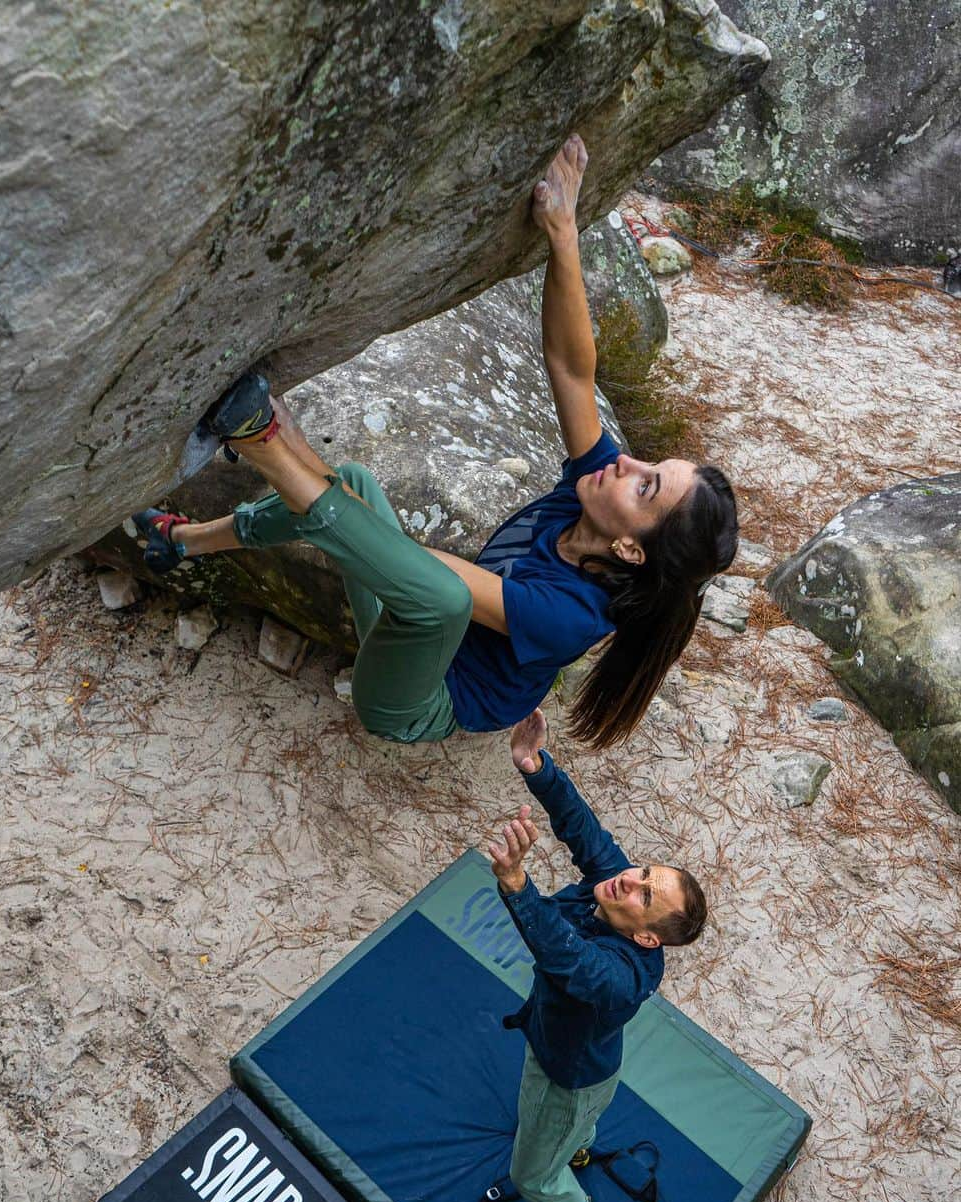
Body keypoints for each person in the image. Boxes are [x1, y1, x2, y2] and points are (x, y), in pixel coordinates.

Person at [133, 135, 738, 746]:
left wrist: (291, 449)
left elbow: (429, 578)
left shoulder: (573, 617)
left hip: (414, 703)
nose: (626, 462)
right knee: (355, 487)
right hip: (410, 630)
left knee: (443, 596)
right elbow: (573, 368)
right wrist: (563, 232)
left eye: (647, 485)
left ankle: (260, 441)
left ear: (632, 551)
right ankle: (179, 542)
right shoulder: (596, 491)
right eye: (647, 464)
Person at [488, 709, 708, 1202]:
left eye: (646, 894)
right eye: (646, 872)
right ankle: (578, 1146)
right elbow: (583, 828)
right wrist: (536, 767)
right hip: (581, 1062)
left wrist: (517, 883)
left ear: (650, 938)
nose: (629, 880)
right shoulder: (619, 888)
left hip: (568, 1076)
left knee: (531, 1175)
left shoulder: (621, 976)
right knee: (569, 1130)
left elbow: (565, 956)